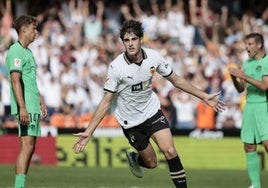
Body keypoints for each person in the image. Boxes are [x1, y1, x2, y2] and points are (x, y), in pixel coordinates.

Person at [73, 19, 225, 188]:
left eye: (134, 39)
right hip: (130, 122)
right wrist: (89, 132)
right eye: (126, 40)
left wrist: (203, 96)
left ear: (141, 39)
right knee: (151, 163)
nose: (130, 44)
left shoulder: (153, 57)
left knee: (170, 151)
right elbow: (105, 102)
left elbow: (176, 80)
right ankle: (135, 158)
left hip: (151, 113)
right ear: (123, 42)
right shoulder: (116, 67)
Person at [5, 15, 47, 188]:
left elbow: (30, 81)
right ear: (23, 30)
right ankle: (19, 186)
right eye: (33, 29)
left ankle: (21, 185)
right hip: (26, 107)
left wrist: (40, 101)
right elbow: (16, 80)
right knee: (27, 146)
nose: (35, 32)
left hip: (32, 105)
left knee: (30, 147)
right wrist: (22, 107)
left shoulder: (27, 52)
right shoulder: (15, 50)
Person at [229, 33, 268, 188]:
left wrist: (243, 75)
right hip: (250, 105)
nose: (247, 47)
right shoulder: (247, 63)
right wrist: (234, 78)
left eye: (250, 44)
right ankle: (256, 185)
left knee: (266, 144)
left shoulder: (266, 61)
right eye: (246, 44)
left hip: (263, 105)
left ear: (259, 45)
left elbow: (265, 86)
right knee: (249, 146)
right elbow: (241, 89)